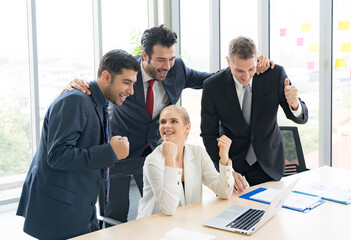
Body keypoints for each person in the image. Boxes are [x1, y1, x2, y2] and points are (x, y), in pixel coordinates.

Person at [65, 25, 273, 224]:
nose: (167, 66)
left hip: (156, 151)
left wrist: (244, 68)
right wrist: (74, 87)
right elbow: (103, 86)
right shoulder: (127, 71)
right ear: (144, 56)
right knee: (116, 214)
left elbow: (211, 80)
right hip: (121, 152)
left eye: (171, 59)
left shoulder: (177, 69)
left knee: (161, 207)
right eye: (161, 60)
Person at [16, 49, 140, 239]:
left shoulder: (98, 103)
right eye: (126, 82)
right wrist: (110, 152)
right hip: (58, 210)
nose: (131, 91)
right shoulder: (76, 99)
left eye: (133, 84)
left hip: (81, 207)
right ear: (106, 76)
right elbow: (57, 156)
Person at [201, 36, 308, 194]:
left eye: (251, 69)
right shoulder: (212, 86)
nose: (246, 76)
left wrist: (295, 104)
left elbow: (301, 117)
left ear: (257, 61)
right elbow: (209, 134)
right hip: (233, 167)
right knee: (232, 216)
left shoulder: (274, 74)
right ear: (228, 61)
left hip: (268, 166)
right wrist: (224, 168)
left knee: (270, 216)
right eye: (239, 70)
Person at [137, 105, 234, 218]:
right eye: (163, 122)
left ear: (187, 128)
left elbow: (224, 192)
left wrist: (224, 158)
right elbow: (168, 208)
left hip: (187, 222)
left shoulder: (198, 153)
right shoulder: (153, 160)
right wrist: (169, 161)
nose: (166, 126)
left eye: (173, 121)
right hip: (155, 227)